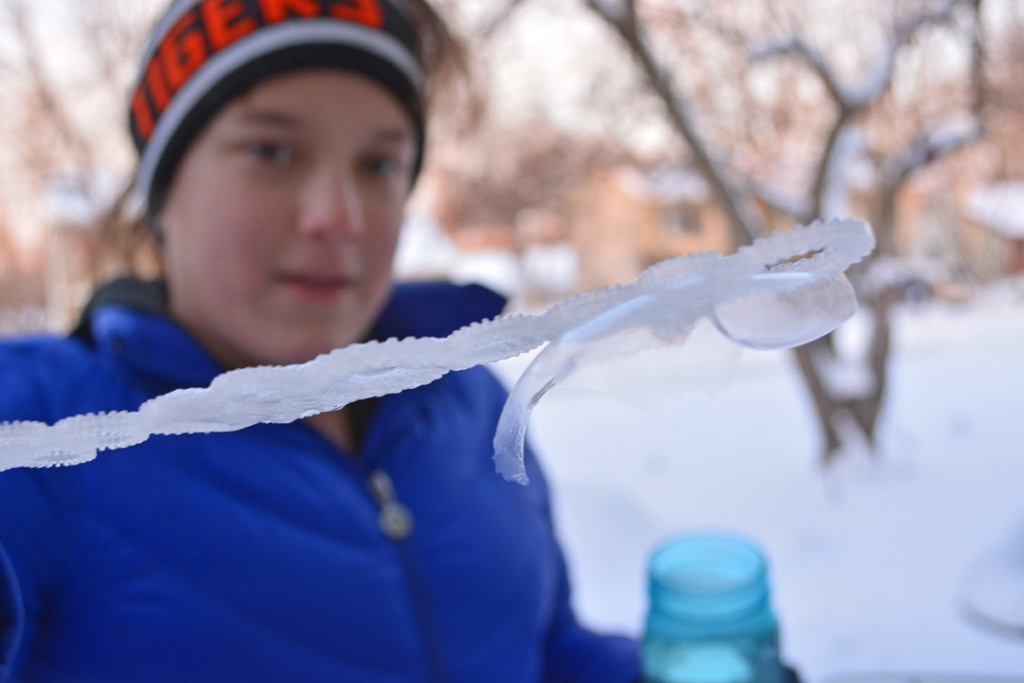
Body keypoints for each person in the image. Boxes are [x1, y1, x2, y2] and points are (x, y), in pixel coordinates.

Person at [0, 1, 641, 680]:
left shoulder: (465, 402)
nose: (337, 217)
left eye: (379, 165)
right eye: (272, 152)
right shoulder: (45, 430)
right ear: (164, 194)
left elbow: (542, 645)